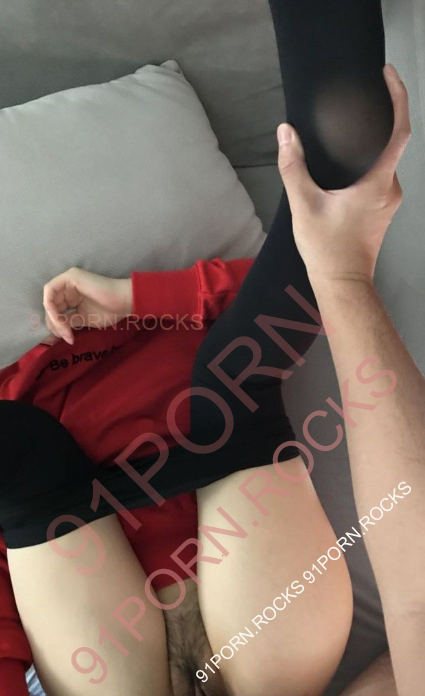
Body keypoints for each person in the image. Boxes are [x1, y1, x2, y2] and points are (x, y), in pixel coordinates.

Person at [0, 1, 409, 695]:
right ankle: (340, 160)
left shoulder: (33, 389)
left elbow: (276, 287)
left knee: (31, 445)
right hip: (257, 652)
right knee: (230, 380)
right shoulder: (25, 376)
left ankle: (337, 161)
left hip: (114, 625)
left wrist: (134, 298)